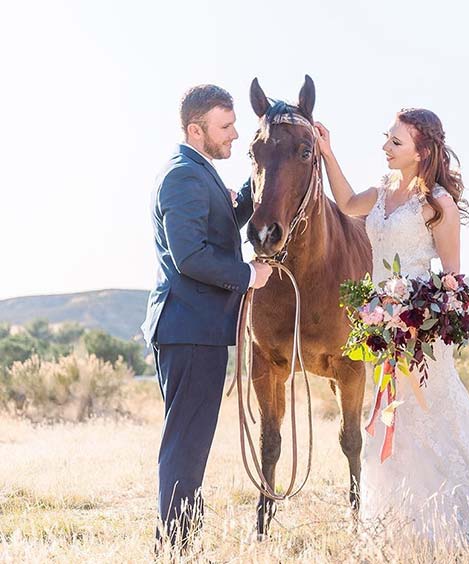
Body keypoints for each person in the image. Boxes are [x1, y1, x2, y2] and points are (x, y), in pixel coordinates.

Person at [314, 109, 469, 538]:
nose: (385, 148)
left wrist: (418, 319)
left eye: (395, 142)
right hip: (383, 328)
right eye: (386, 139)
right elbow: (349, 204)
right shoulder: (384, 190)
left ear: (421, 151)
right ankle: (401, 520)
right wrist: (328, 152)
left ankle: (460, 515)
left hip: (421, 334)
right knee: (392, 417)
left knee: (431, 417)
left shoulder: (437, 202)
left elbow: (452, 279)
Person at [141, 84, 272, 548]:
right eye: (226, 126)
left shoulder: (199, 172)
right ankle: (174, 547)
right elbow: (190, 256)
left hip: (196, 330)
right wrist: (247, 274)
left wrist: (247, 200)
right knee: (186, 443)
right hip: (189, 330)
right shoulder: (182, 176)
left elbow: (212, 227)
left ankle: (181, 543)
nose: (235, 135)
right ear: (196, 130)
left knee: (191, 442)